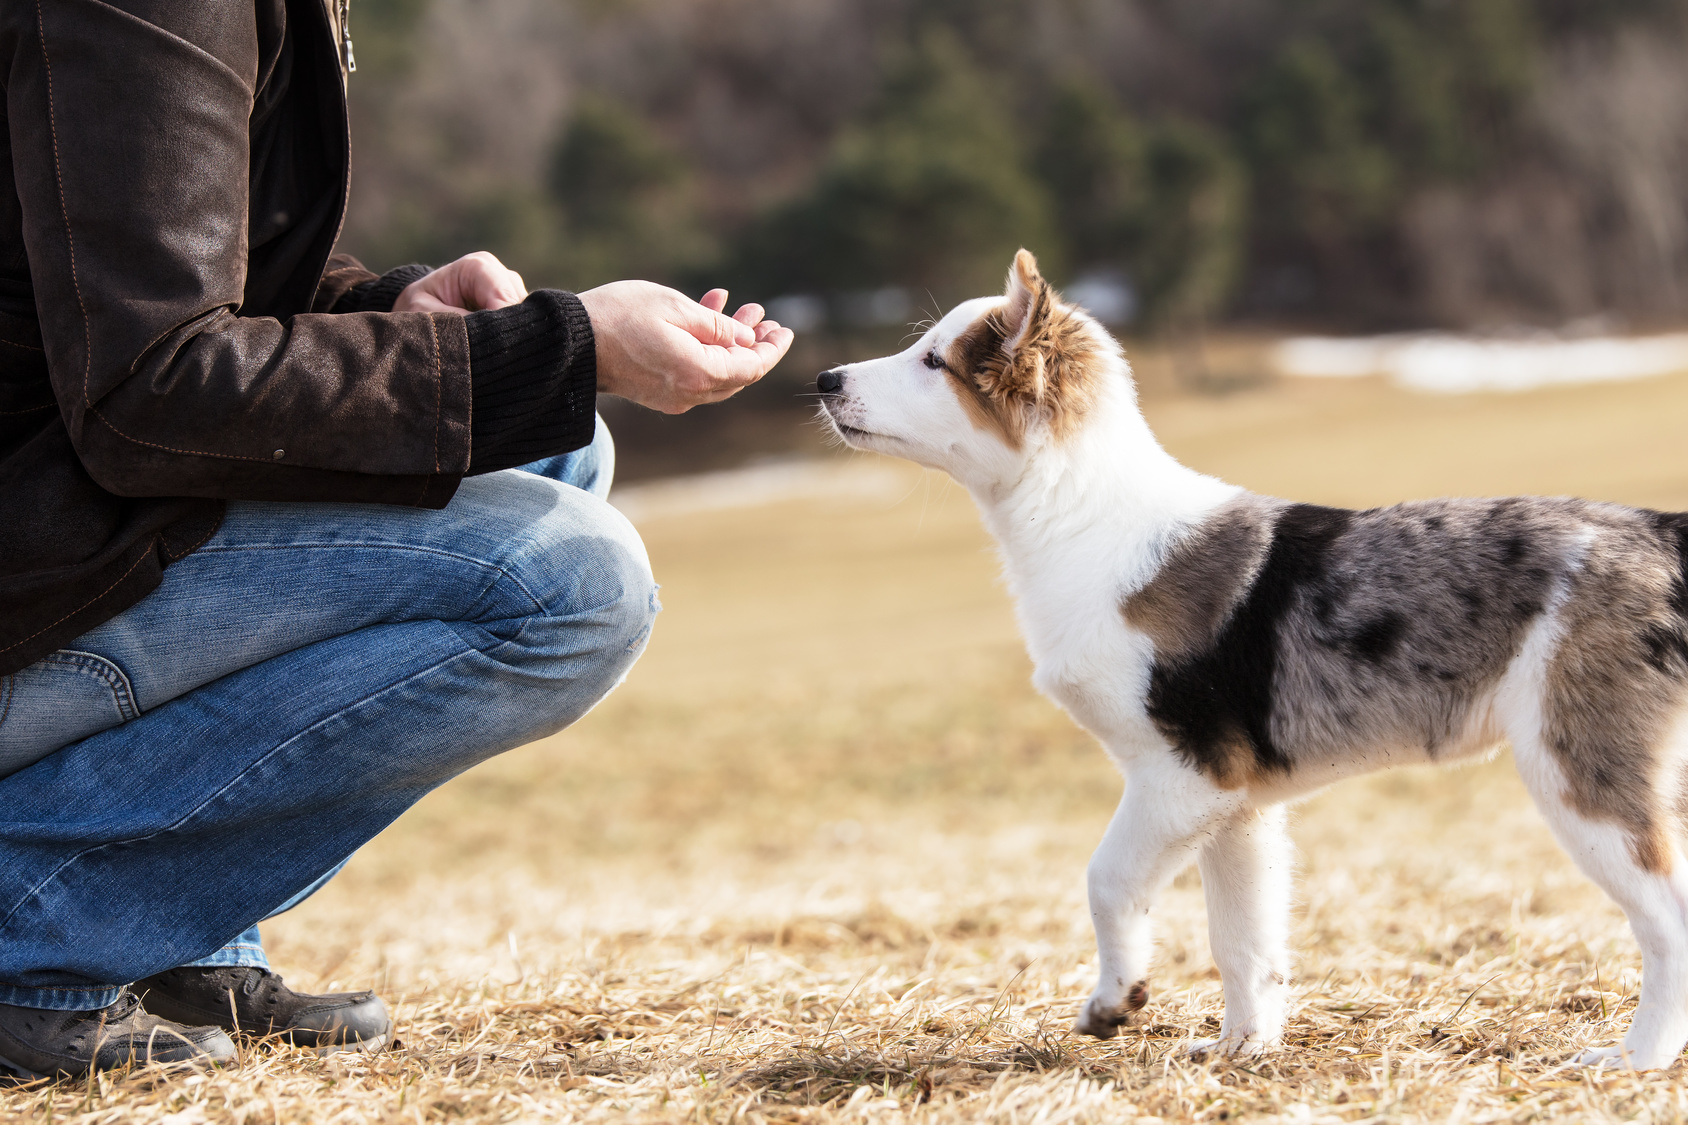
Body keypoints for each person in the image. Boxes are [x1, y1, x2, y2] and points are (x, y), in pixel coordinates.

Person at [0, 0, 793, 1079]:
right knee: (570, 581)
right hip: (35, 552)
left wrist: (385, 306)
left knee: (550, 458)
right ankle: (37, 929)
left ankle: (173, 933)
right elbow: (151, 387)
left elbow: (120, 268)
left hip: (51, 512)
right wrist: (559, 351)